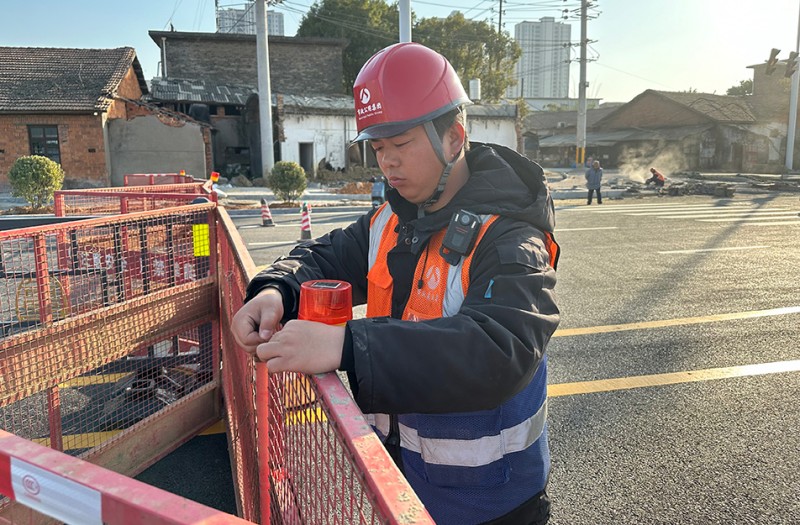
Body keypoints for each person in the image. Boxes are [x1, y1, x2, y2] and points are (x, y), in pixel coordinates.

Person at [231, 42, 560, 525]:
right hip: (404, 484)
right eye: (379, 147)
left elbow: (500, 348)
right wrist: (275, 290)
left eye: (400, 144)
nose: (387, 162)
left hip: (491, 502)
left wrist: (347, 345)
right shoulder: (394, 218)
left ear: (453, 138)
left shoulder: (511, 236)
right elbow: (325, 255)